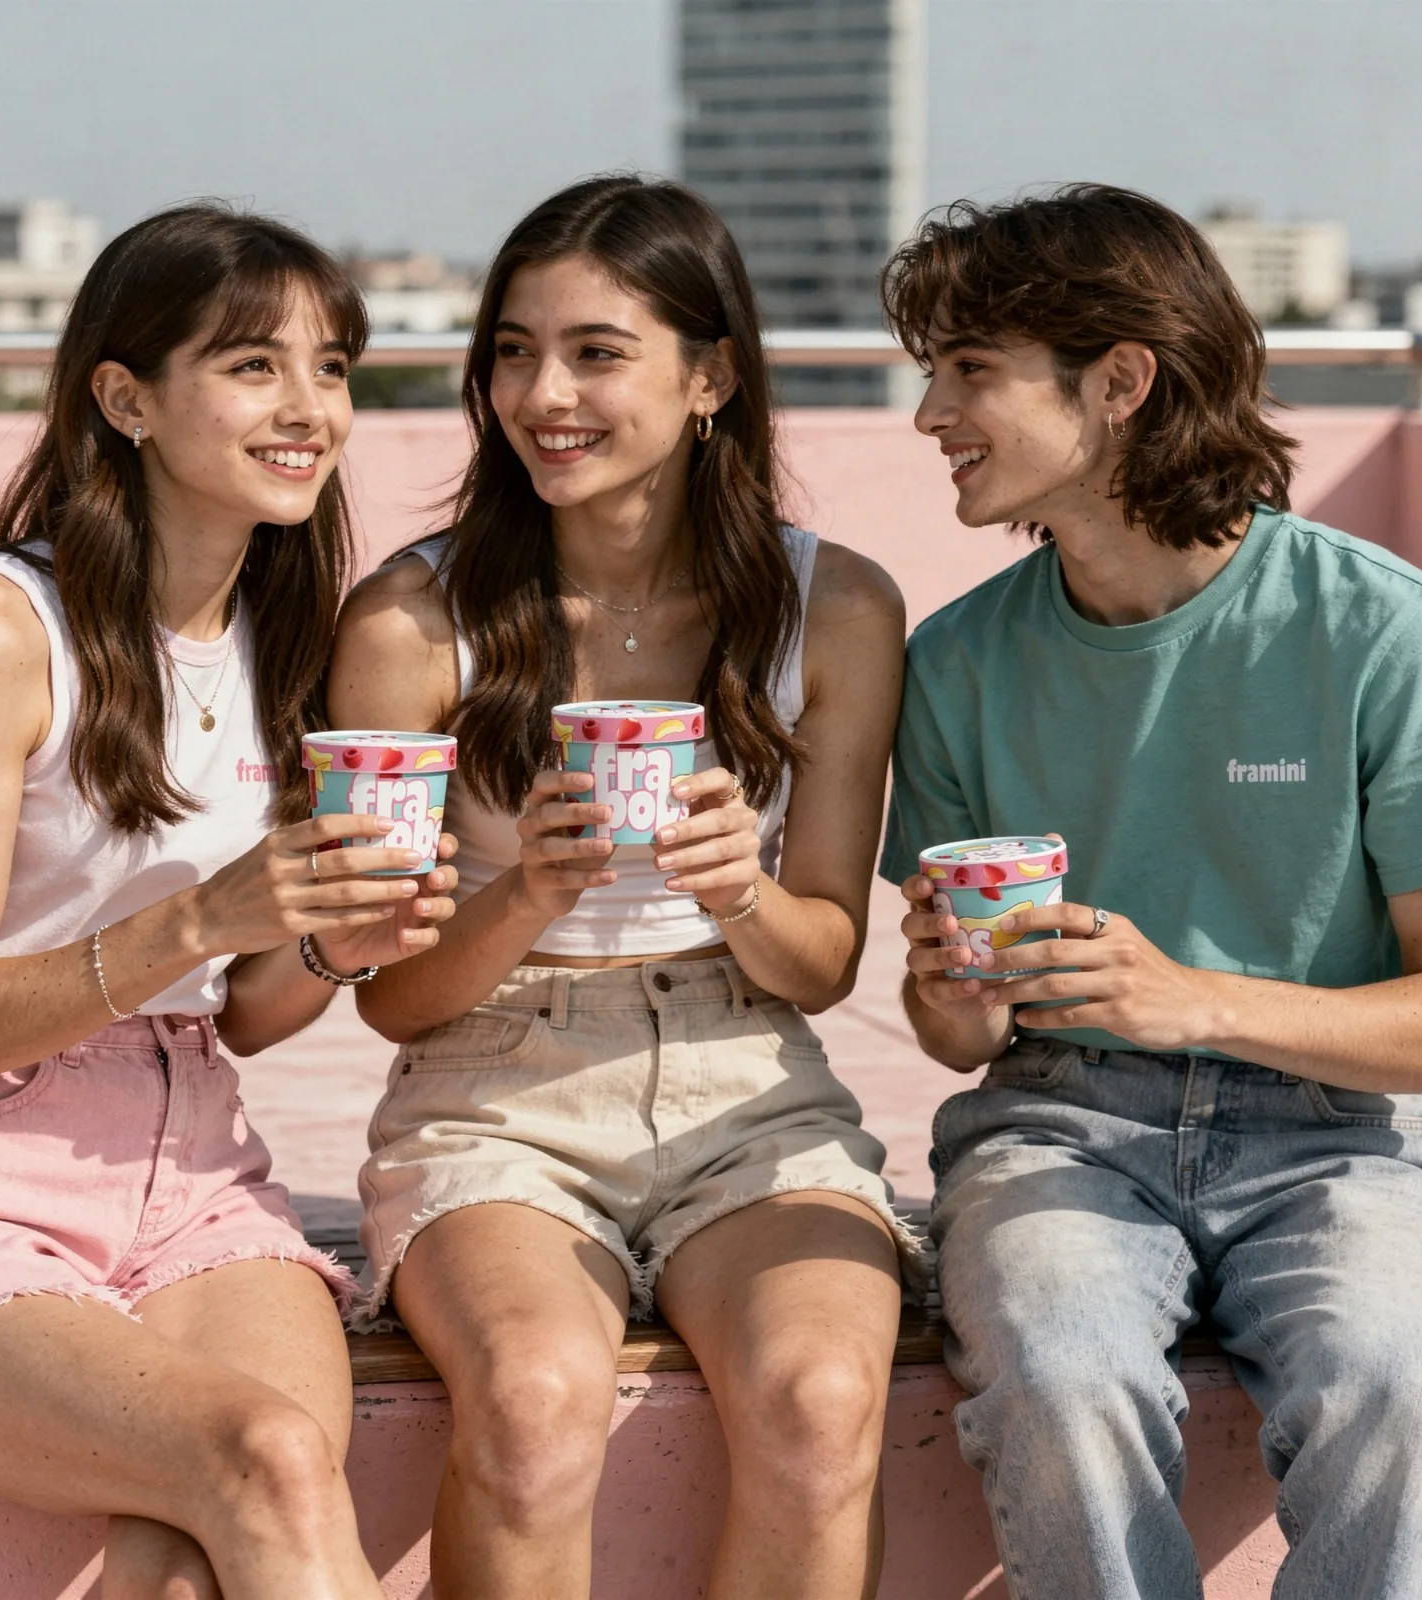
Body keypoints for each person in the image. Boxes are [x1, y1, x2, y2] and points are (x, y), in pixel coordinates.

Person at [328, 175, 922, 1600]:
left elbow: (824, 960)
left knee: (824, 1398)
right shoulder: (413, 622)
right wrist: (527, 890)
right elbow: (384, 995)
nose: (543, 393)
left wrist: (737, 890)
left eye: (597, 352)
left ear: (711, 375)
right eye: (514, 352)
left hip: (749, 1081)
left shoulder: (835, 608)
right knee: (533, 1399)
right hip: (493, 1085)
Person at [0, 204, 455, 1600]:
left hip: (195, 1170)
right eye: (254, 366)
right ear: (124, 397)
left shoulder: (291, 633)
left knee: (194, 1561)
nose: (310, 407)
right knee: (269, 1460)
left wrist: (322, 941)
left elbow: (244, 1016)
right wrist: (197, 918)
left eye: (334, 366)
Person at [881, 184, 1422, 1598]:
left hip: (1343, 1144)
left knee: (1406, 1387)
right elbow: (957, 1044)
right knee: (1062, 1376)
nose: (929, 416)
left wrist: (1190, 998)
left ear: (1122, 380)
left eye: (970, 371)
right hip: (1058, 1124)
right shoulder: (957, 663)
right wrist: (948, 990)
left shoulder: (1389, 635)